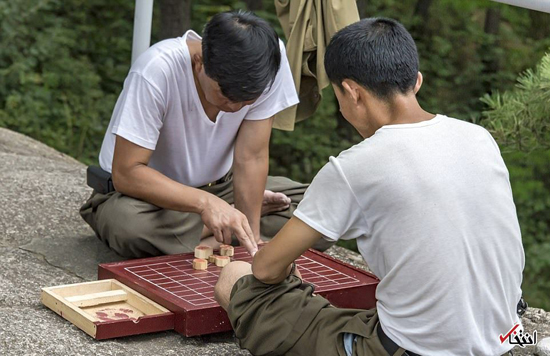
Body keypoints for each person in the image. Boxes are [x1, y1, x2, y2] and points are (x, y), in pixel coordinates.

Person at [214, 17, 524, 356]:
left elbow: (265, 268)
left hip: (411, 350)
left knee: (236, 275)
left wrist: (282, 264)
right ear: (416, 82)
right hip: (507, 338)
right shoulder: (479, 138)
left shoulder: (355, 166)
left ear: (351, 92)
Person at [80, 11, 334, 258]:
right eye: (225, 96)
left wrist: (252, 240)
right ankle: (224, 222)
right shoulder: (157, 70)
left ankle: (224, 227)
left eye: (247, 102)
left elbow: (252, 157)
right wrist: (206, 204)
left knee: (323, 211)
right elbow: (127, 173)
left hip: (222, 186)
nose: (234, 108)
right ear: (199, 61)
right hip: (144, 198)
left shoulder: (268, 62)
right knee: (128, 227)